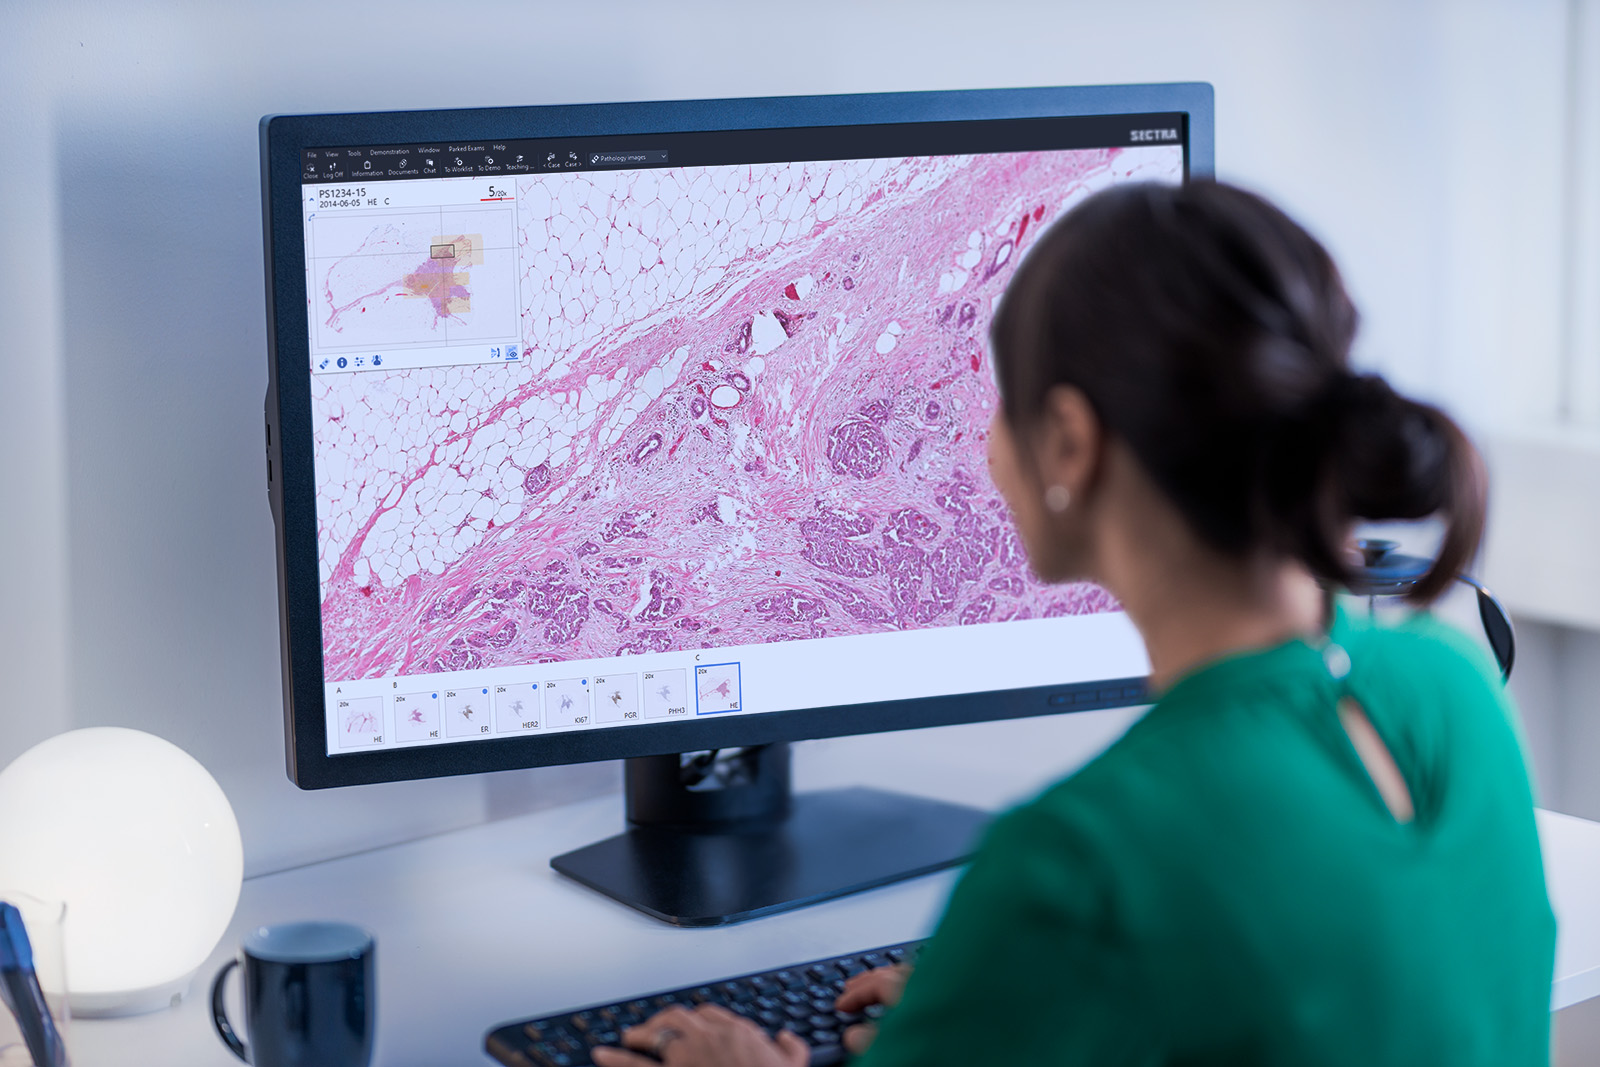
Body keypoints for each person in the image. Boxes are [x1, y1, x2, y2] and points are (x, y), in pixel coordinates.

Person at [591, 181, 1556, 1066]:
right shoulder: (1456, 692)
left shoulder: (1077, 866)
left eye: (996, 402)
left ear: (1069, 440)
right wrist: (1002, 999)